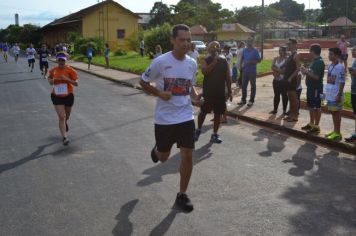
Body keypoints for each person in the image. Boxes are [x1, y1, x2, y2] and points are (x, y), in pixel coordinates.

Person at [139, 24, 201, 212]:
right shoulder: (161, 61)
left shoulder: (192, 62)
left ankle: (182, 194)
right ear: (173, 40)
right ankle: (158, 150)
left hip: (185, 115)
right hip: (165, 119)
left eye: (188, 40)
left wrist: (195, 97)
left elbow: (190, 86)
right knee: (164, 158)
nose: (186, 43)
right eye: (181, 40)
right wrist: (158, 93)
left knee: (188, 154)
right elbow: (143, 81)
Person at [195, 41, 232, 143]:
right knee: (203, 112)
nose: (214, 49)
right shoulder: (206, 59)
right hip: (208, 92)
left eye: (216, 47)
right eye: (212, 47)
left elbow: (228, 77)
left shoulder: (224, 60)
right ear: (208, 49)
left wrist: (230, 91)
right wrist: (214, 61)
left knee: (218, 114)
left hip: (220, 93)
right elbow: (204, 71)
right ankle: (198, 130)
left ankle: (214, 134)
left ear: (219, 49)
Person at [47, 52, 79, 145]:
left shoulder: (71, 70)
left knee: (67, 116)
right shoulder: (53, 70)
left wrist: (66, 79)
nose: (61, 62)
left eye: (63, 60)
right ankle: (64, 137)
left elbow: (76, 83)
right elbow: (49, 80)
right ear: (57, 60)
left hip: (68, 95)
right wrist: (54, 80)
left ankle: (66, 122)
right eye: (60, 60)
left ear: (65, 60)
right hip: (56, 96)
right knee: (62, 116)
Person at [300, 44, 325, 134]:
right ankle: (311, 123)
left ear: (313, 51)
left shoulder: (319, 62)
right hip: (310, 87)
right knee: (310, 106)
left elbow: (316, 77)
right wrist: (305, 71)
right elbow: (311, 73)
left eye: (310, 50)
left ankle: (316, 126)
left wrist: (306, 71)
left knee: (316, 107)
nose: (309, 52)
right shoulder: (314, 61)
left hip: (316, 88)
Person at [324, 47, 345, 141]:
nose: (329, 56)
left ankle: (338, 133)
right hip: (330, 93)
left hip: (336, 93)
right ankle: (335, 131)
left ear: (337, 55)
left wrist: (339, 95)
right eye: (329, 54)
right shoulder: (330, 65)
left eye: (331, 54)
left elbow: (342, 81)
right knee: (333, 112)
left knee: (336, 113)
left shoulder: (340, 67)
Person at [238, 37, 261, 106]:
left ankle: (251, 100)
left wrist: (252, 62)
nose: (248, 43)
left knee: (253, 86)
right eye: (247, 42)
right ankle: (243, 100)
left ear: (252, 42)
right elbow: (242, 58)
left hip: (252, 71)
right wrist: (240, 66)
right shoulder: (244, 50)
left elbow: (259, 60)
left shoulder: (255, 51)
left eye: (250, 42)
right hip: (245, 70)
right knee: (244, 86)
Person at [283, 38, 301, 122]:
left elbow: (298, 68)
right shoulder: (290, 55)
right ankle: (291, 114)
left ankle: (295, 115)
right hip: (287, 79)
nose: (288, 45)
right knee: (290, 97)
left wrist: (290, 77)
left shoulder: (296, 55)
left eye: (289, 44)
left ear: (294, 44)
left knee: (294, 98)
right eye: (287, 44)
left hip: (292, 80)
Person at [270, 46, 288, 115]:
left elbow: (284, 71)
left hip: (283, 81)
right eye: (279, 50)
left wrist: (276, 71)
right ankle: (275, 109)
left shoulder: (286, 59)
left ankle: (284, 110)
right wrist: (279, 71)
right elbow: (272, 67)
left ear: (284, 51)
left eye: (281, 50)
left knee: (284, 95)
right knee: (276, 95)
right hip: (276, 80)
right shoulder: (276, 58)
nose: (280, 52)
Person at [345, 46, 356, 143]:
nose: (352, 52)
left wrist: (352, 71)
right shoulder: (354, 61)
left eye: (354, 51)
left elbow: (354, 72)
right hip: (353, 91)